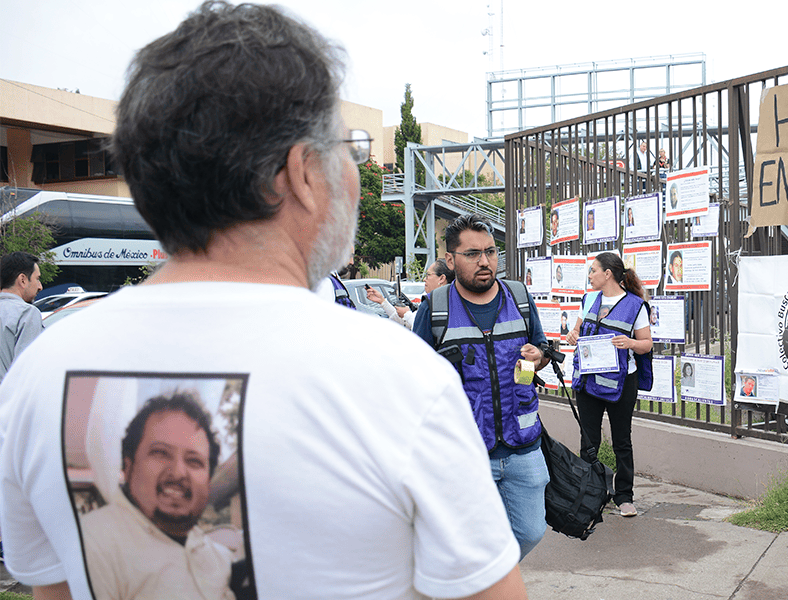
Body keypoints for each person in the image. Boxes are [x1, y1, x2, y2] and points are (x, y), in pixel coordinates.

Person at [0, 4, 527, 599]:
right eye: (346, 152)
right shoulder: (401, 381)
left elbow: (55, 590)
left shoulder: (39, 378)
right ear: (303, 172)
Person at [412, 214, 552, 559]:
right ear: (451, 259)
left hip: (523, 445)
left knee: (531, 531)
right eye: (473, 254)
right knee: (466, 543)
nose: (485, 261)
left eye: (490, 251)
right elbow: (414, 378)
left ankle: (489, 582)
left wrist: (539, 357)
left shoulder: (519, 297)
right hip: (465, 453)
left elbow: (543, 350)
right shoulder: (435, 308)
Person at [81, 392, 233, 600]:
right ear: (128, 466)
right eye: (161, 453)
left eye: (194, 461)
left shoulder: (219, 558)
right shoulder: (94, 543)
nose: (179, 472)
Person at [564, 252, 652, 518]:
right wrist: (572, 334)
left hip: (622, 383)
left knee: (621, 440)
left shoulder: (635, 305)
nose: (589, 276)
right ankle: (590, 495)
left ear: (608, 274)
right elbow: (578, 331)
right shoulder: (589, 299)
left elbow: (646, 343)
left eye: (593, 271)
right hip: (589, 380)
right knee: (588, 441)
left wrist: (630, 344)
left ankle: (624, 497)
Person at [0, 252, 44, 380]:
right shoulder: (27, 313)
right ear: (23, 280)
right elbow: (25, 372)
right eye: (37, 278)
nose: (40, 286)